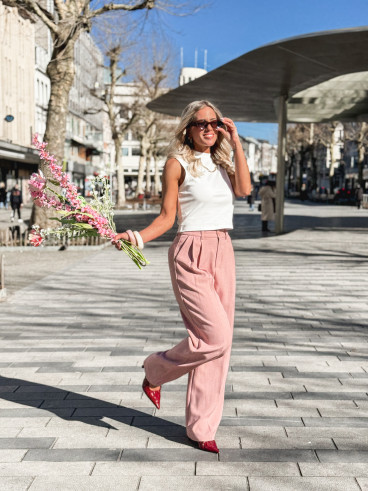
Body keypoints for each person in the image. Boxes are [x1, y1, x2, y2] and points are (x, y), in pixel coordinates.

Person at [115, 100, 251, 453]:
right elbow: (166, 216)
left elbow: (245, 190)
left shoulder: (222, 161)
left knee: (219, 347)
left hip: (224, 248)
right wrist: (136, 238)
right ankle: (156, 369)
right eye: (201, 123)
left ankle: (200, 427)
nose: (209, 128)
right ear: (187, 128)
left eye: (215, 122)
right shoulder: (176, 164)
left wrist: (235, 142)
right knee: (214, 336)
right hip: (190, 251)